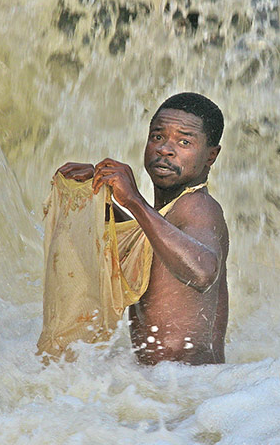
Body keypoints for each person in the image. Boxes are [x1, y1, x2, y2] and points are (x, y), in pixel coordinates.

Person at [54, 92, 228, 365]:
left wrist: (134, 200)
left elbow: (203, 271)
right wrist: (96, 194)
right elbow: (143, 244)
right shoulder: (165, 218)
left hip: (188, 389)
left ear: (211, 156)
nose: (165, 149)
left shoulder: (199, 207)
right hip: (165, 388)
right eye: (157, 137)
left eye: (184, 141)